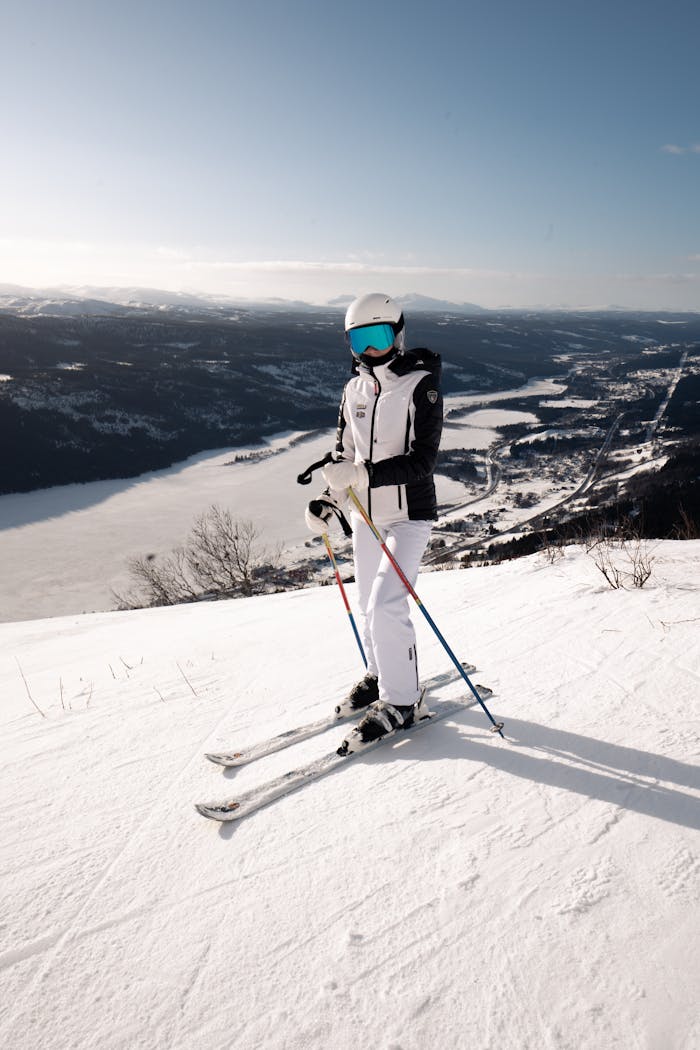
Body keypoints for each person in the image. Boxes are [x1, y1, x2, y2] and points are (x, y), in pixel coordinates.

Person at [305, 292, 443, 742]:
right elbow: (344, 454)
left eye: (378, 337)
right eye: (359, 339)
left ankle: (403, 701)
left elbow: (423, 462)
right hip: (366, 516)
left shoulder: (422, 385)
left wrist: (361, 473)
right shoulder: (353, 390)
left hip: (409, 516)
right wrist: (330, 499)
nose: (368, 350)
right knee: (369, 603)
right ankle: (378, 675)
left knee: (387, 602)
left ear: (397, 335)